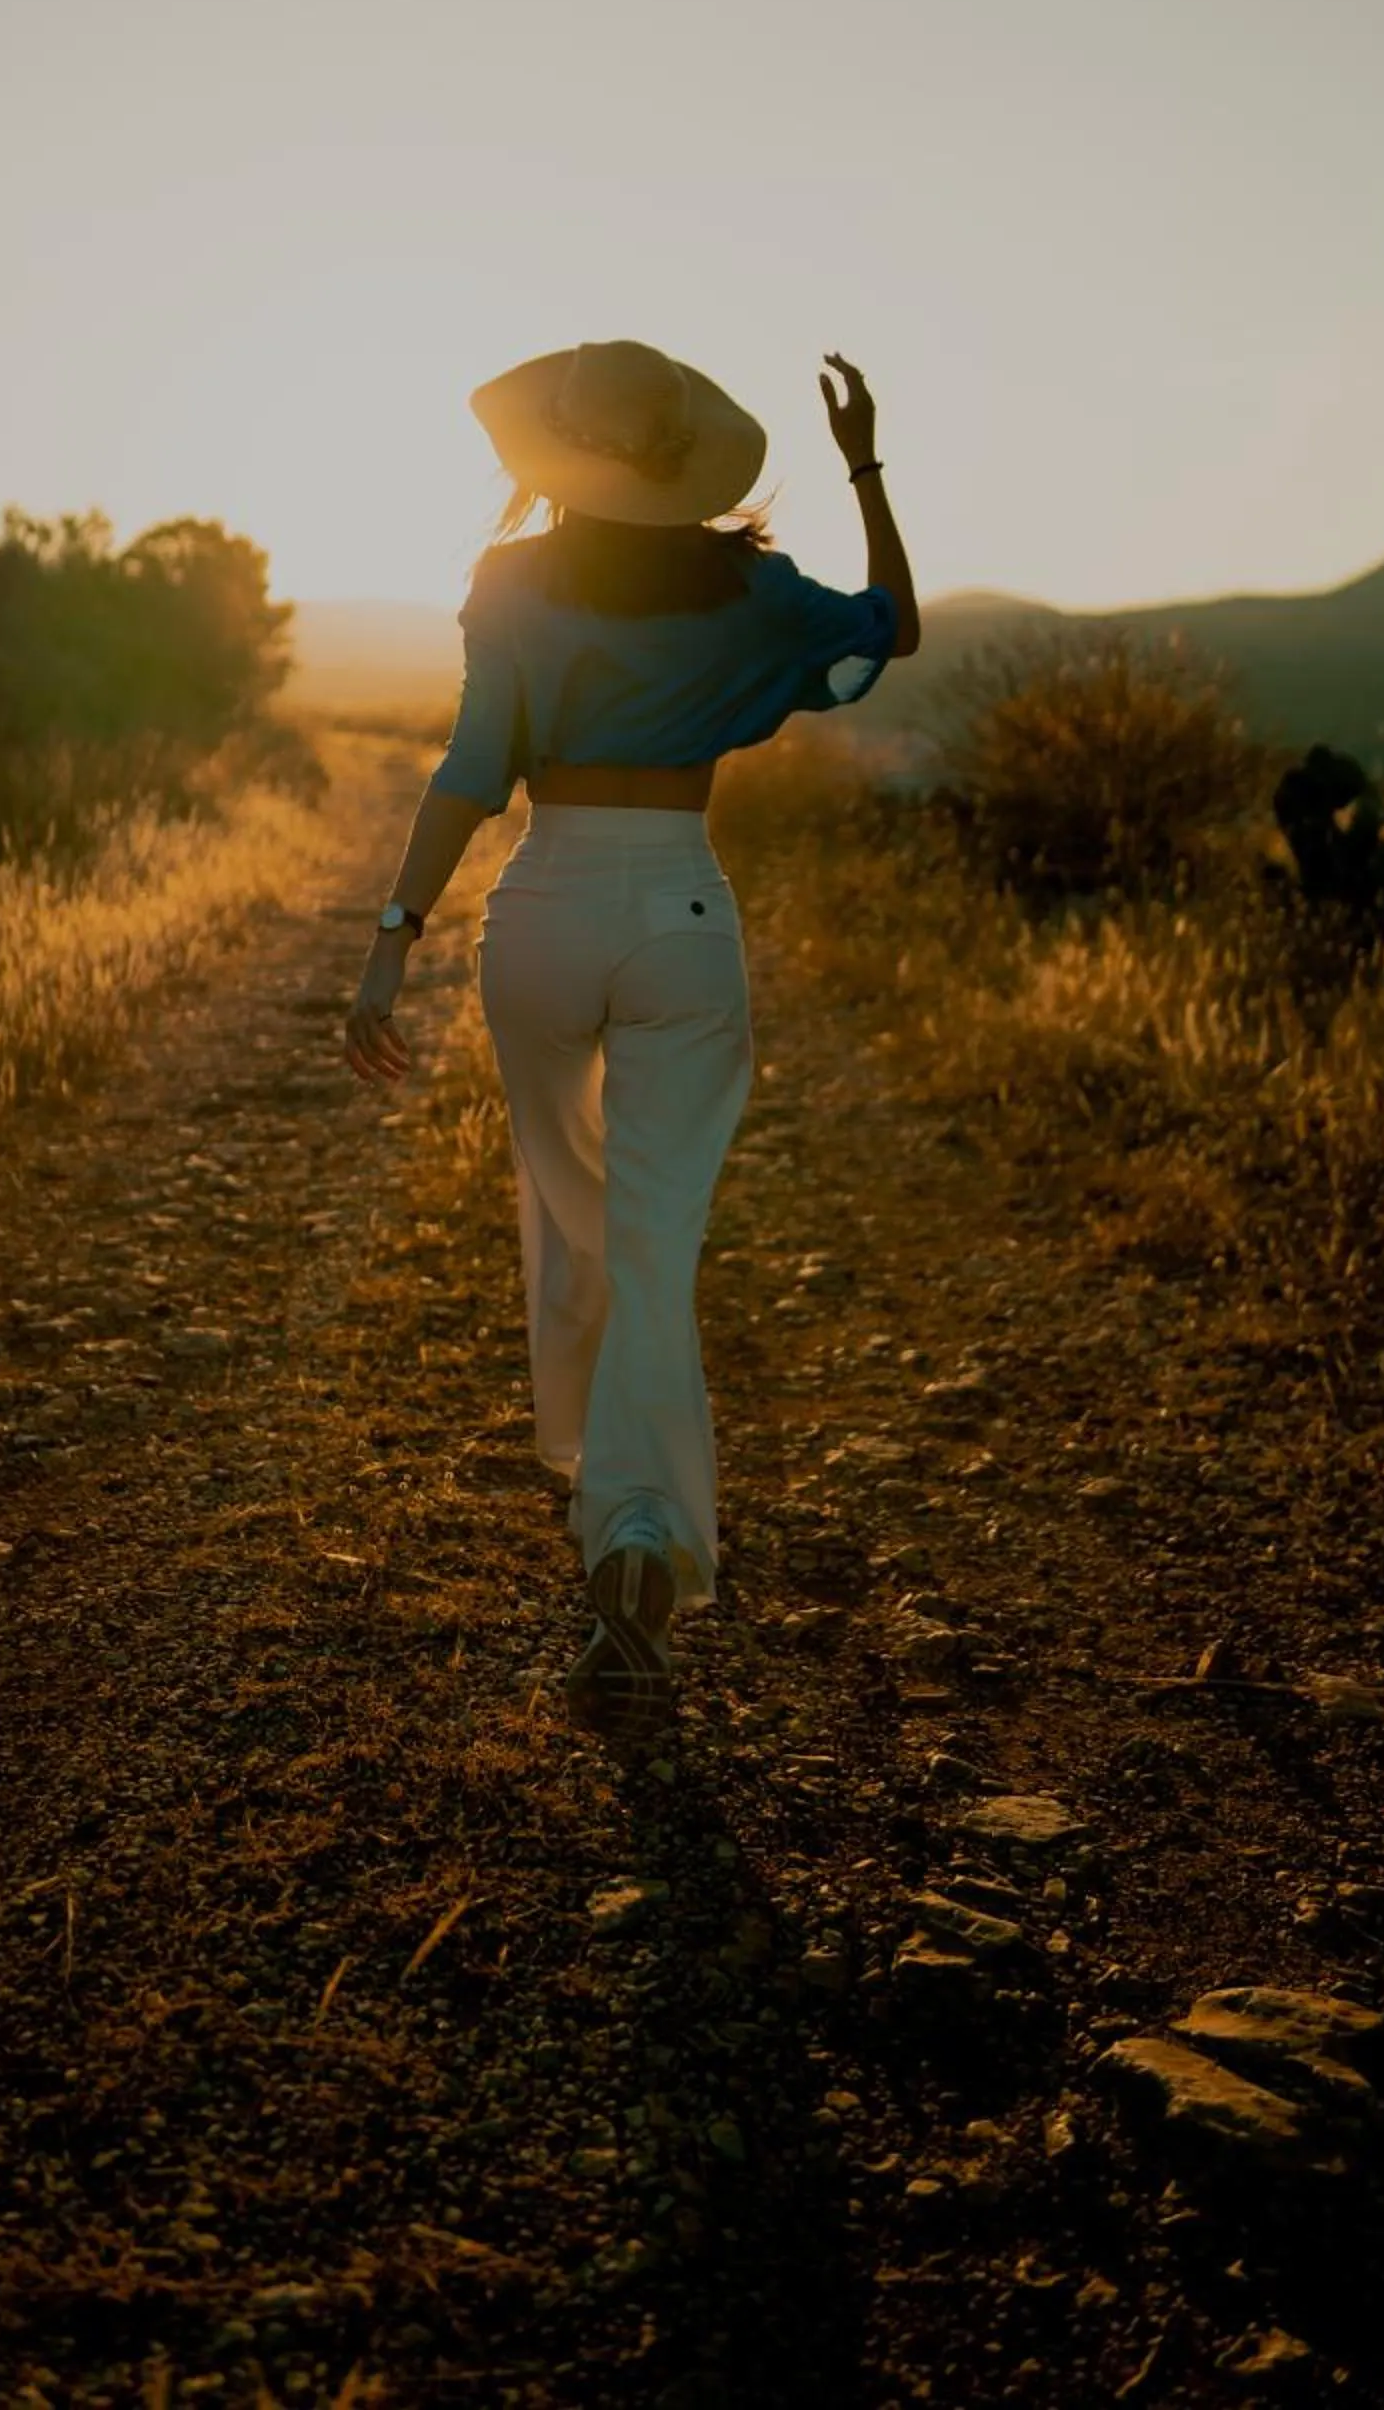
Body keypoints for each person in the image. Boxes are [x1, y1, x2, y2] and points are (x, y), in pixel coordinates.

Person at [342, 340, 920, 1748]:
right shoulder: (749, 584)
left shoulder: (515, 583)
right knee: (660, 1245)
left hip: (539, 911)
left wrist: (392, 938)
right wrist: (862, 462)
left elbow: (472, 772)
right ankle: (640, 1541)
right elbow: (888, 633)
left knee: (573, 1213)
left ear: (559, 458)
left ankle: (596, 1482)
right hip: (679, 906)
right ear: (680, 465)